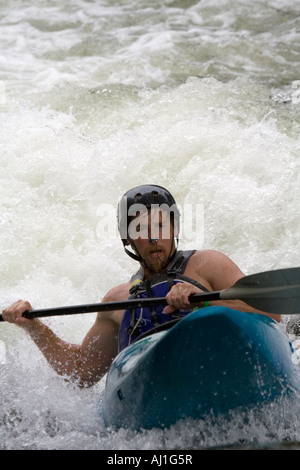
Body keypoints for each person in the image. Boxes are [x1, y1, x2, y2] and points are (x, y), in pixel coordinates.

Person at [2, 184, 280, 387]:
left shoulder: (209, 264)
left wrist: (206, 300)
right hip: (156, 386)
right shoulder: (117, 299)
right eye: (140, 230)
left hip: (224, 369)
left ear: (175, 229)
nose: (153, 238)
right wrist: (34, 327)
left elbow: (271, 317)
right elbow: (81, 372)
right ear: (128, 240)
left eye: (160, 225)